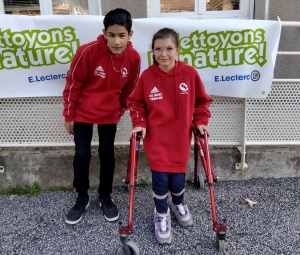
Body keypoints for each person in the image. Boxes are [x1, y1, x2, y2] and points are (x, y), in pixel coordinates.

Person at [127, 28, 212, 244]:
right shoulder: (147, 76)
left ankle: (178, 202)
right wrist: (140, 123)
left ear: (177, 50)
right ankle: (161, 213)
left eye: (168, 49)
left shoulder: (190, 74)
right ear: (152, 51)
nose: (163, 54)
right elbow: (135, 103)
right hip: (156, 138)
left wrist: (200, 122)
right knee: (160, 180)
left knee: (176, 181)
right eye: (158, 49)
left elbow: (202, 102)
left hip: (181, 137)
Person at [62, 8, 141, 224]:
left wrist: (119, 110)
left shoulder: (133, 58)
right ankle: (82, 196)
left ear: (130, 35)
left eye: (122, 35)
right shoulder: (86, 51)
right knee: (82, 154)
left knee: (107, 155)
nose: (117, 41)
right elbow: (73, 84)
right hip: (82, 112)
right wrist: (69, 115)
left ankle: (105, 197)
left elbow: (130, 90)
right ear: (104, 33)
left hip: (109, 113)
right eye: (112, 35)